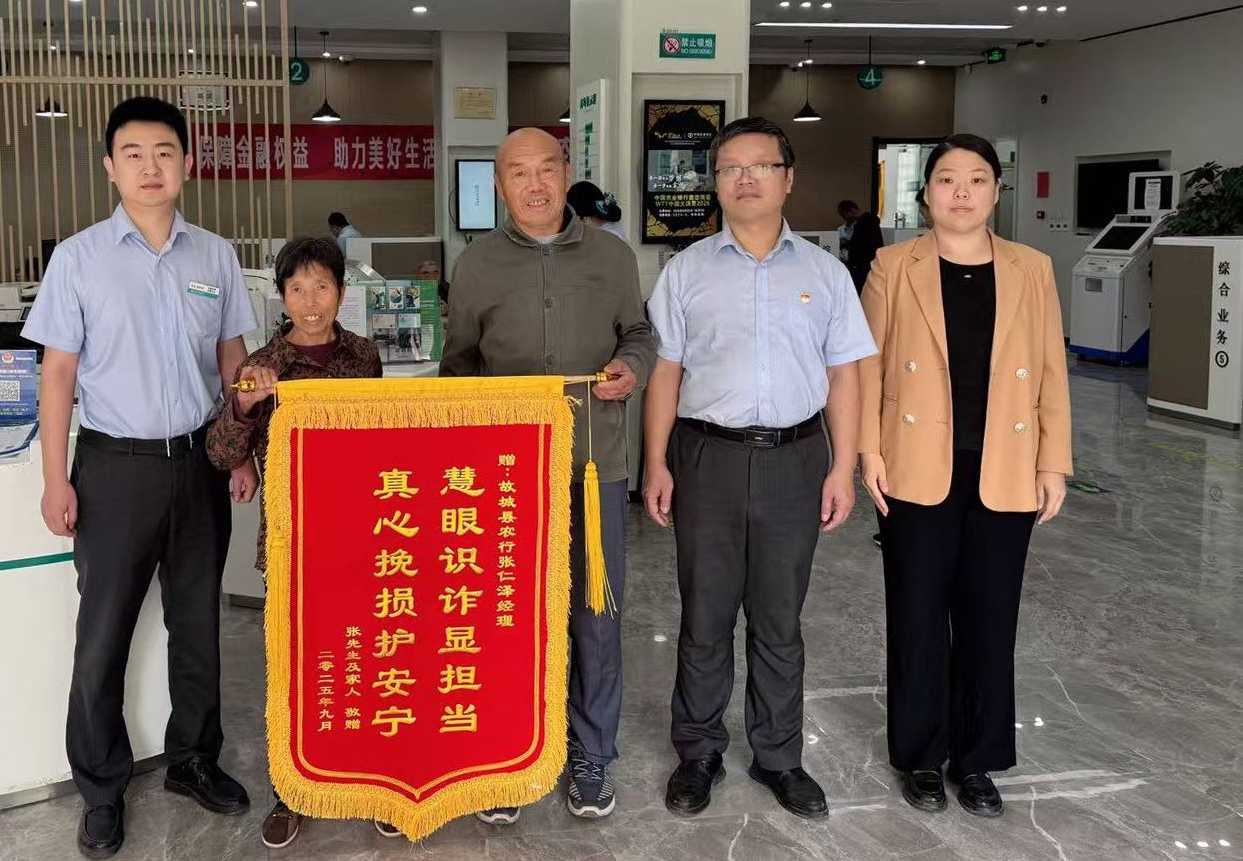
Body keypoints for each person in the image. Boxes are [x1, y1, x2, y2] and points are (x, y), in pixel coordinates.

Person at [22, 95, 259, 859]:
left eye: (164, 152)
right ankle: (101, 789)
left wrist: (240, 450)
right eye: (134, 154)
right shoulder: (79, 259)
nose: (150, 167)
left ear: (186, 163)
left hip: (196, 463)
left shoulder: (214, 257)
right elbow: (58, 375)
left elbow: (231, 359)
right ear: (110, 167)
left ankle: (193, 759)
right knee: (102, 638)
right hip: (113, 470)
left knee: (198, 628)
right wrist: (55, 479)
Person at [642, 116, 876, 821]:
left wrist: (842, 468)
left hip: (795, 459)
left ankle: (779, 756)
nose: (745, 179)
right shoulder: (686, 271)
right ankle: (698, 752)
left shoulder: (825, 273)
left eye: (761, 166)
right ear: (715, 183)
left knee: (779, 619)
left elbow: (844, 376)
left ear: (788, 178)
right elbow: (665, 373)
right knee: (705, 615)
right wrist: (656, 461)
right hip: (706, 457)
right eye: (730, 168)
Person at [442, 127, 656, 824]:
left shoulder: (612, 256)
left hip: (594, 467)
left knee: (595, 614)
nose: (534, 185)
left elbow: (639, 333)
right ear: (499, 186)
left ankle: (591, 753)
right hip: (506, 478)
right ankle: (508, 754)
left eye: (546, 170)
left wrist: (632, 368)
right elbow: (458, 363)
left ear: (566, 173)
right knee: (511, 618)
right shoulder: (475, 265)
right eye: (518, 173)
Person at [858, 133, 1072, 818]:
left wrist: (1054, 462)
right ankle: (921, 755)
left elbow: (1051, 370)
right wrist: (868, 450)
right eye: (947, 179)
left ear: (996, 192)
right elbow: (868, 366)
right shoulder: (894, 266)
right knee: (917, 615)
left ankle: (977, 759)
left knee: (990, 618)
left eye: (977, 179)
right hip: (915, 464)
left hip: (1005, 467)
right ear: (925, 193)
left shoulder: (1033, 268)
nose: (961, 192)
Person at [204, 235, 384, 849]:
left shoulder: (364, 356)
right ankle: (292, 790)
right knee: (296, 670)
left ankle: (373, 780)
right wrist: (247, 408)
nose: (311, 302)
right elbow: (221, 452)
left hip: (363, 537)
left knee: (365, 660)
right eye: (298, 289)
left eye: (322, 287)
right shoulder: (261, 364)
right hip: (292, 543)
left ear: (341, 291)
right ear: (281, 296)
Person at [838, 200, 884, 293]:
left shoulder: (864, 223)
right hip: (868, 264)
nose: (845, 218)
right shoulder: (869, 222)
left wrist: (845, 245)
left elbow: (859, 245)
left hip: (862, 267)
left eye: (845, 215)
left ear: (852, 211)